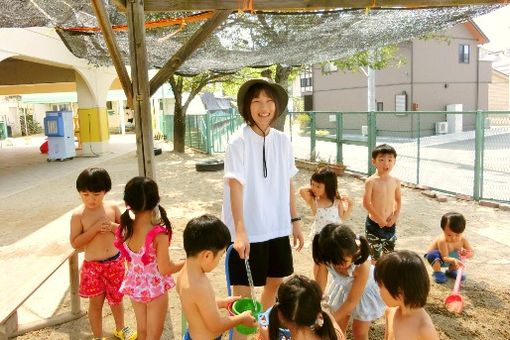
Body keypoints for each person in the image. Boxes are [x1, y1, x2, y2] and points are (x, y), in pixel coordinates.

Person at [221, 78, 304, 312]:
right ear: (248, 106)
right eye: (256, 101)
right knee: (242, 296)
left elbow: (288, 180)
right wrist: (239, 230)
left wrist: (295, 220)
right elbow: (235, 187)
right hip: (247, 229)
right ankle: (242, 333)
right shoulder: (238, 142)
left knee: (276, 281)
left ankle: (260, 326)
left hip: (276, 226)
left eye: (268, 101)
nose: (263, 107)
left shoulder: (283, 140)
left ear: (276, 106)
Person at [70, 167, 136, 340]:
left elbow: (126, 232)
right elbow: (75, 242)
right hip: (93, 266)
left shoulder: (112, 207)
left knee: (116, 300)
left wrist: (113, 227)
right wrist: (93, 230)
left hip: (115, 262)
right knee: (96, 304)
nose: (91, 199)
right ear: (79, 193)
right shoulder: (78, 215)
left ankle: (121, 329)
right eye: (85, 194)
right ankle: (98, 336)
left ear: (105, 191)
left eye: (96, 194)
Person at [115, 176, 184, 340]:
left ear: (128, 201)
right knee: (154, 335)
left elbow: (130, 261)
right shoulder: (158, 234)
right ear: (156, 200)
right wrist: (187, 262)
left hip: (135, 286)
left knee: (143, 332)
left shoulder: (126, 228)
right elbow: (165, 268)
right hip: (155, 288)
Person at [176, 214, 257, 340]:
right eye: (220, 256)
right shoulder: (199, 285)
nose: (219, 260)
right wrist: (241, 318)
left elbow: (199, 305)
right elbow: (216, 326)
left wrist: (223, 302)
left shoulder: (184, 274)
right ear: (207, 255)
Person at [313, 224, 385, 340]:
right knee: (338, 329)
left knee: (359, 332)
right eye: (335, 263)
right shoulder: (324, 257)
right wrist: (315, 309)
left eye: (344, 261)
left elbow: (352, 301)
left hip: (364, 292)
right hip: (343, 287)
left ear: (353, 253)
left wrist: (329, 321)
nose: (340, 267)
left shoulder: (362, 265)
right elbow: (319, 287)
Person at [299, 166, 353, 291]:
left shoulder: (336, 201)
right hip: (318, 238)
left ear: (328, 186)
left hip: (333, 239)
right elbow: (302, 190)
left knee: (332, 264)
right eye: (312, 184)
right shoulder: (314, 200)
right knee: (318, 263)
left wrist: (350, 205)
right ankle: (318, 288)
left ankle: (325, 288)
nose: (314, 188)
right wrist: (315, 187)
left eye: (318, 186)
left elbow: (343, 216)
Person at [374, 250, 439, 340]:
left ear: (399, 290)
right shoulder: (390, 312)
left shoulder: (424, 329)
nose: (378, 291)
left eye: (380, 285)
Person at [260, 275, 345, 340]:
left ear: (280, 314)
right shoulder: (334, 334)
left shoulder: (267, 332)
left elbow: (263, 325)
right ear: (317, 313)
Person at [362, 143, 401, 261]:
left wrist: (395, 217)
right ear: (374, 162)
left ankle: (385, 276)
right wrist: (379, 218)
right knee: (374, 256)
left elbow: (398, 200)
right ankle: (373, 277)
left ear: (394, 161)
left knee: (389, 254)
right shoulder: (371, 181)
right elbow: (366, 203)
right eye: (381, 160)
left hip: (390, 223)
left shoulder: (395, 181)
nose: (386, 163)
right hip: (374, 224)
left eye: (390, 160)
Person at [424, 212, 474, 284]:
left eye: (457, 235)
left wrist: (467, 254)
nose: (453, 238)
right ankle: (437, 272)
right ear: (443, 230)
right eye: (449, 235)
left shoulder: (463, 240)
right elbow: (444, 257)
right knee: (433, 254)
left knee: (459, 253)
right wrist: (453, 260)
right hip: (438, 257)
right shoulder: (442, 241)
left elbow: (471, 252)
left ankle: (451, 271)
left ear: (462, 231)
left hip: (449, 257)